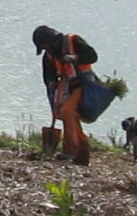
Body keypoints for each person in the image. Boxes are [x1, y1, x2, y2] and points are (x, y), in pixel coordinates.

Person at [32, 23, 102, 165]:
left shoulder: (73, 41)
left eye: (45, 46)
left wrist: (74, 58)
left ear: (50, 42)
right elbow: (48, 76)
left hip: (84, 84)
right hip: (67, 88)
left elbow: (92, 56)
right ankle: (83, 153)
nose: (46, 49)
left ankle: (70, 150)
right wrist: (52, 87)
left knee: (67, 111)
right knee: (68, 116)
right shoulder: (48, 57)